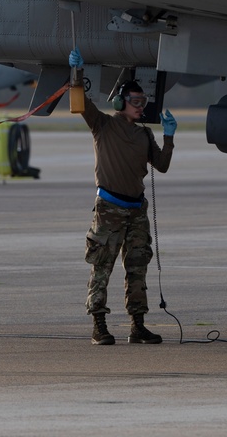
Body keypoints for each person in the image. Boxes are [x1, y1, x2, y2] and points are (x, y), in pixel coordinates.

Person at [69, 50, 177, 345]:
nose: (142, 107)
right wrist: (76, 74)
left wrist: (168, 137)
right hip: (109, 209)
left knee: (138, 267)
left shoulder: (144, 135)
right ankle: (99, 325)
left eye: (144, 102)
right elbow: (80, 103)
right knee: (102, 267)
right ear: (120, 103)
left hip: (136, 211)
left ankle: (137, 325)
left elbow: (162, 166)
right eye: (136, 102)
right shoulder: (102, 125)